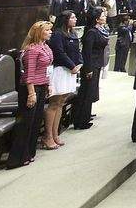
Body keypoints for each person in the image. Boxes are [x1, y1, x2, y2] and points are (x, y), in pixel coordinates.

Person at [7, 21, 53, 168]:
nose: (50, 32)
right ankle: (17, 158)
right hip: (30, 89)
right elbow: (29, 74)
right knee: (26, 124)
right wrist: (31, 93)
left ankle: (29, 153)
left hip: (42, 86)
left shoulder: (45, 47)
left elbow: (47, 69)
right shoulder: (32, 50)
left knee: (36, 122)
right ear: (39, 33)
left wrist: (48, 85)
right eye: (47, 30)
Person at [46, 11, 82, 149]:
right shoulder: (57, 34)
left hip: (71, 71)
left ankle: (56, 134)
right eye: (72, 17)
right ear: (65, 19)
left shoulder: (72, 33)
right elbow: (59, 53)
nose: (75, 19)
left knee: (61, 103)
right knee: (54, 103)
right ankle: (48, 136)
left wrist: (79, 63)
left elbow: (77, 51)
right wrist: (72, 66)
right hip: (60, 70)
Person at [73, 9, 108, 130]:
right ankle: (81, 121)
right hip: (91, 65)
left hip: (96, 64)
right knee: (86, 93)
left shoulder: (99, 30)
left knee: (90, 92)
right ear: (97, 19)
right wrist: (88, 69)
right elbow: (87, 52)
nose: (105, 17)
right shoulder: (92, 32)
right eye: (102, 15)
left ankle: (85, 116)